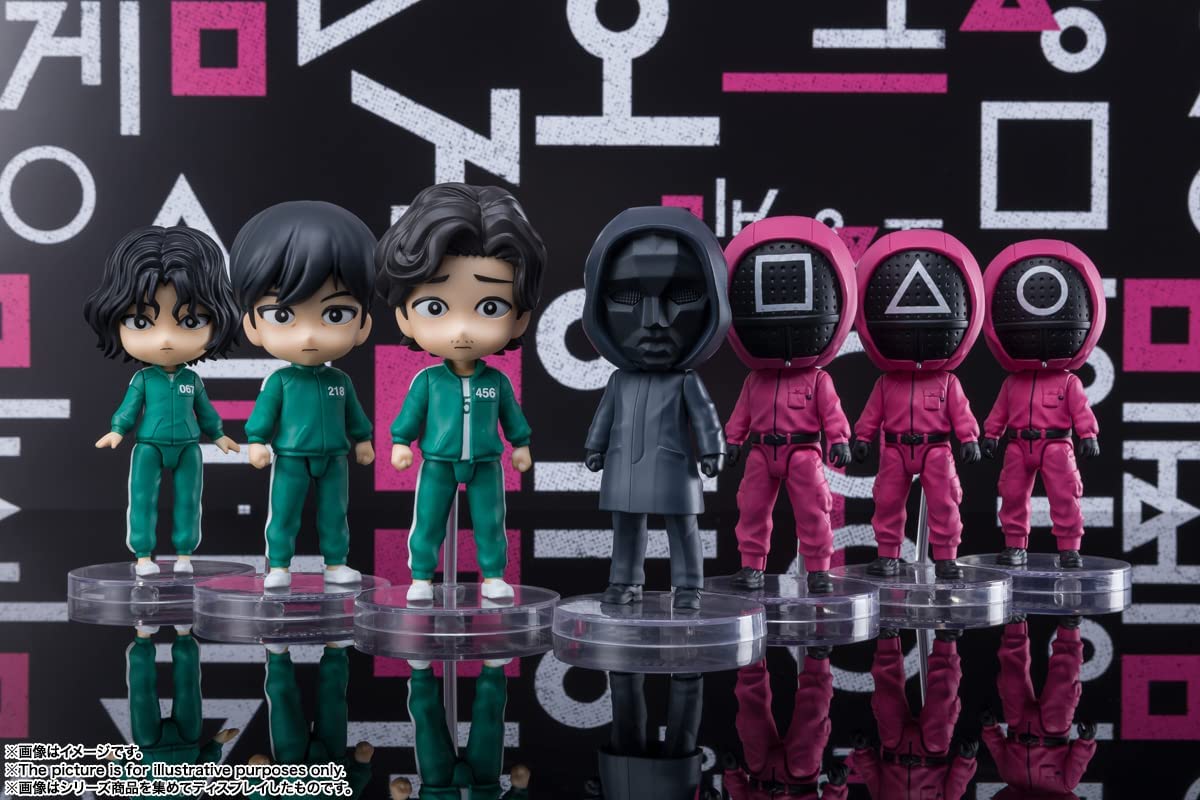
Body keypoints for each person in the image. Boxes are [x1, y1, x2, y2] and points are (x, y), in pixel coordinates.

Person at [375, 184, 547, 602]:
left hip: (486, 463)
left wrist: (521, 445)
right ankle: (421, 576)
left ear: (520, 318)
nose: (462, 329)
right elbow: (410, 416)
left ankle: (493, 575)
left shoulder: (496, 382)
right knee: (428, 519)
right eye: (435, 307)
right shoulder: (428, 381)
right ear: (404, 316)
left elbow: (512, 418)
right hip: (438, 462)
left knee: (490, 521)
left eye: (490, 307)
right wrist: (400, 443)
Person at [582, 207, 730, 610]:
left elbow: (705, 417)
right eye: (628, 297)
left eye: (681, 296)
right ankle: (624, 581)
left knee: (683, 527)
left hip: (673, 465)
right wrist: (595, 447)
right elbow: (605, 417)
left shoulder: (685, 381)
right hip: (624, 466)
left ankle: (688, 586)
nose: (654, 321)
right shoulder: (620, 380)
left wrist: (713, 450)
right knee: (627, 527)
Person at [230, 201, 376, 589]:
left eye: (335, 314)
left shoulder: (340, 380)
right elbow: (263, 416)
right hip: (291, 457)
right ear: (253, 325)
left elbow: (355, 415)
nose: (309, 334)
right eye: (282, 315)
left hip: (334, 457)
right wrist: (257, 441)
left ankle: (336, 563)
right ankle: (279, 565)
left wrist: (363, 439)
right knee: (284, 512)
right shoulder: (280, 381)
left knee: (335, 513)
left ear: (363, 324)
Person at [84, 225, 241, 575]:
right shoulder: (143, 379)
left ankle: (184, 555)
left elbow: (205, 411)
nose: (166, 339)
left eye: (190, 321)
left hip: (188, 446)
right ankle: (143, 555)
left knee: (189, 500)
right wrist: (118, 430)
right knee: (142, 499)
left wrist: (218, 435)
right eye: (142, 321)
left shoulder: (192, 380)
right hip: (149, 446)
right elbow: (129, 408)